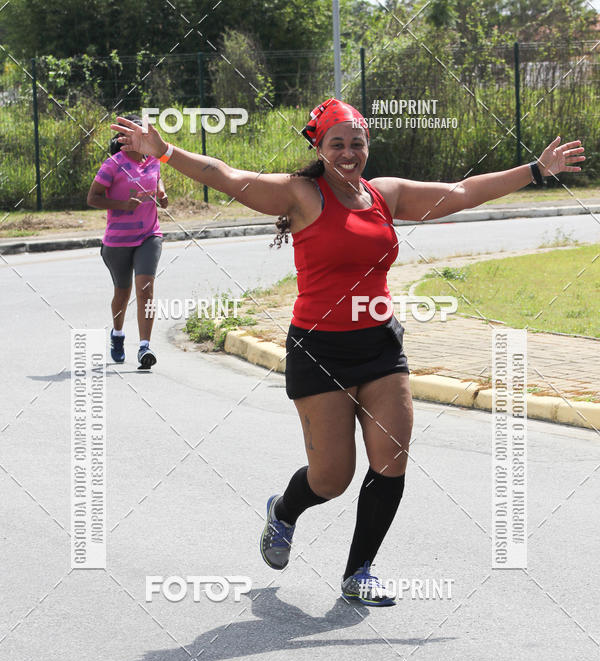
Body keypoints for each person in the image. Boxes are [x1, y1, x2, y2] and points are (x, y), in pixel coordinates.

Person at [110, 103, 584, 605]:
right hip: (319, 350)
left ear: (367, 145)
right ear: (319, 148)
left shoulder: (385, 195)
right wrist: (165, 152)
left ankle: (359, 571)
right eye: (337, 143)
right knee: (332, 477)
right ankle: (284, 512)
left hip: (380, 346)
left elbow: (462, 193)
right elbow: (227, 177)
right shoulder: (301, 194)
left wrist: (535, 170)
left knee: (392, 458)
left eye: (356, 142)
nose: (348, 152)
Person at [87, 113, 168, 369]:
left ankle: (145, 347)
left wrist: (162, 193)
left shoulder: (154, 160)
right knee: (122, 294)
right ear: (125, 137)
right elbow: (93, 198)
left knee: (146, 290)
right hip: (118, 241)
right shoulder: (113, 165)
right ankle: (118, 335)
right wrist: (122, 204)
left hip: (149, 235)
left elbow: (157, 178)